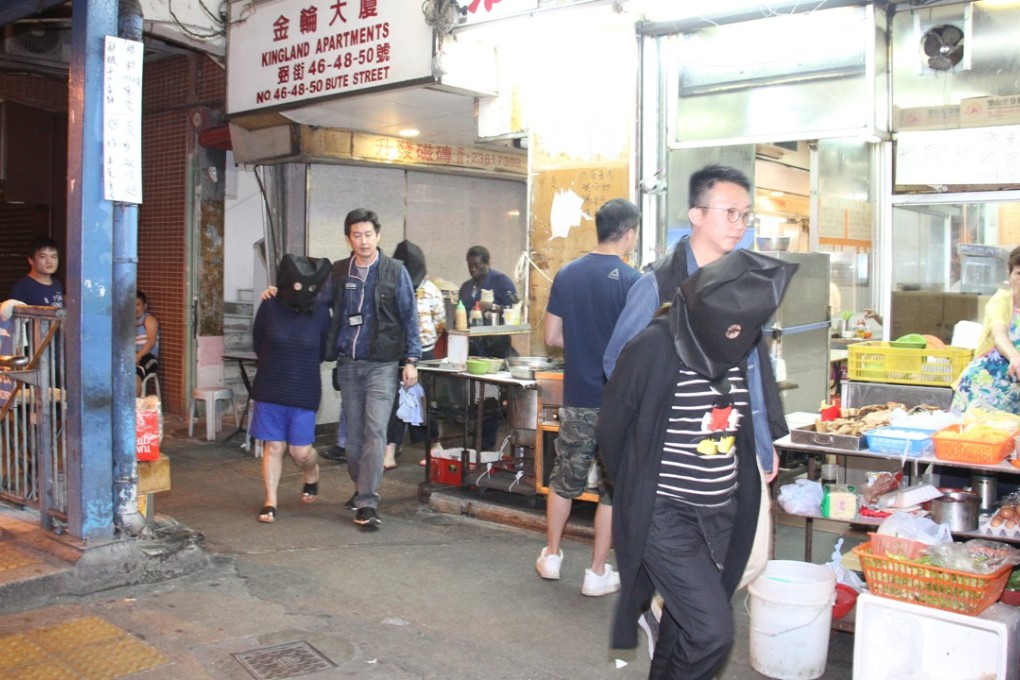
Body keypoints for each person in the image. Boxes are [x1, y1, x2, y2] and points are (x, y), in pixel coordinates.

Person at [596, 248, 796, 679]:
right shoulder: (652, 346)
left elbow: (745, 420)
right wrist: (635, 486)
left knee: (684, 625)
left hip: (720, 515)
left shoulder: (741, 349)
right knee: (712, 633)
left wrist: (761, 452)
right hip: (664, 514)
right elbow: (611, 430)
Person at [535, 198, 641, 597]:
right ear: (629, 233)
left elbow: (552, 337)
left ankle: (552, 555)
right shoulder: (634, 282)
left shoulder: (568, 274)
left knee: (564, 479)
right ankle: (597, 572)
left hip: (578, 396)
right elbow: (638, 345)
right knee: (611, 489)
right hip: (618, 402)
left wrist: (581, 348)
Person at [325, 209, 422, 530]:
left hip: (383, 365)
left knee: (375, 432)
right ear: (348, 238)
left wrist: (411, 361)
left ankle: (367, 500)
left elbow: (410, 317)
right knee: (352, 439)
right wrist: (278, 293)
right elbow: (313, 302)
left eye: (368, 234)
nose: (363, 241)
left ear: (378, 236)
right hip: (350, 364)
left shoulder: (395, 271)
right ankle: (361, 486)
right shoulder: (340, 272)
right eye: (356, 235)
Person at [250, 254, 332, 524]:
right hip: (270, 384)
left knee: (300, 451)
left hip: (304, 387)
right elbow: (257, 342)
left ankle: (311, 472)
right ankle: (270, 500)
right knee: (273, 446)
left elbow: (324, 351)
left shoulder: (321, 312)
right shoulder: (269, 305)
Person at [384, 240, 445, 470]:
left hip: (423, 352)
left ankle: (434, 445)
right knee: (395, 401)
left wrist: (426, 343)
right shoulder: (391, 286)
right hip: (398, 351)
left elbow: (440, 322)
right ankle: (389, 449)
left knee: (425, 401)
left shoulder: (430, 290)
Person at [952, 245, 1020, 413]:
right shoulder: (1001, 301)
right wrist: (1014, 356)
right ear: (1009, 275)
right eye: (1019, 273)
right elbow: (999, 334)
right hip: (982, 389)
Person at [458, 245, 518, 358]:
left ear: (487, 264)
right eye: (470, 266)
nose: (473, 269)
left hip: (497, 346)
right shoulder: (465, 287)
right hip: (472, 348)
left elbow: (514, 310)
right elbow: (460, 316)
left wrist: (493, 307)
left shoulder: (501, 281)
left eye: (477, 265)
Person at [9, 237, 63, 307]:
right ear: (31, 260)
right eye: (43, 257)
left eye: (53, 257)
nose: (49, 261)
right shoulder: (22, 288)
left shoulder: (57, 284)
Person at [135, 291, 159, 397]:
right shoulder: (126, 322)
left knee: (134, 374)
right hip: (134, 355)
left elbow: (151, 341)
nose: (135, 308)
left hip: (148, 357)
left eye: (138, 305)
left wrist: (138, 356)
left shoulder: (149, 320)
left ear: (145, 306)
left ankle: (132, 408)